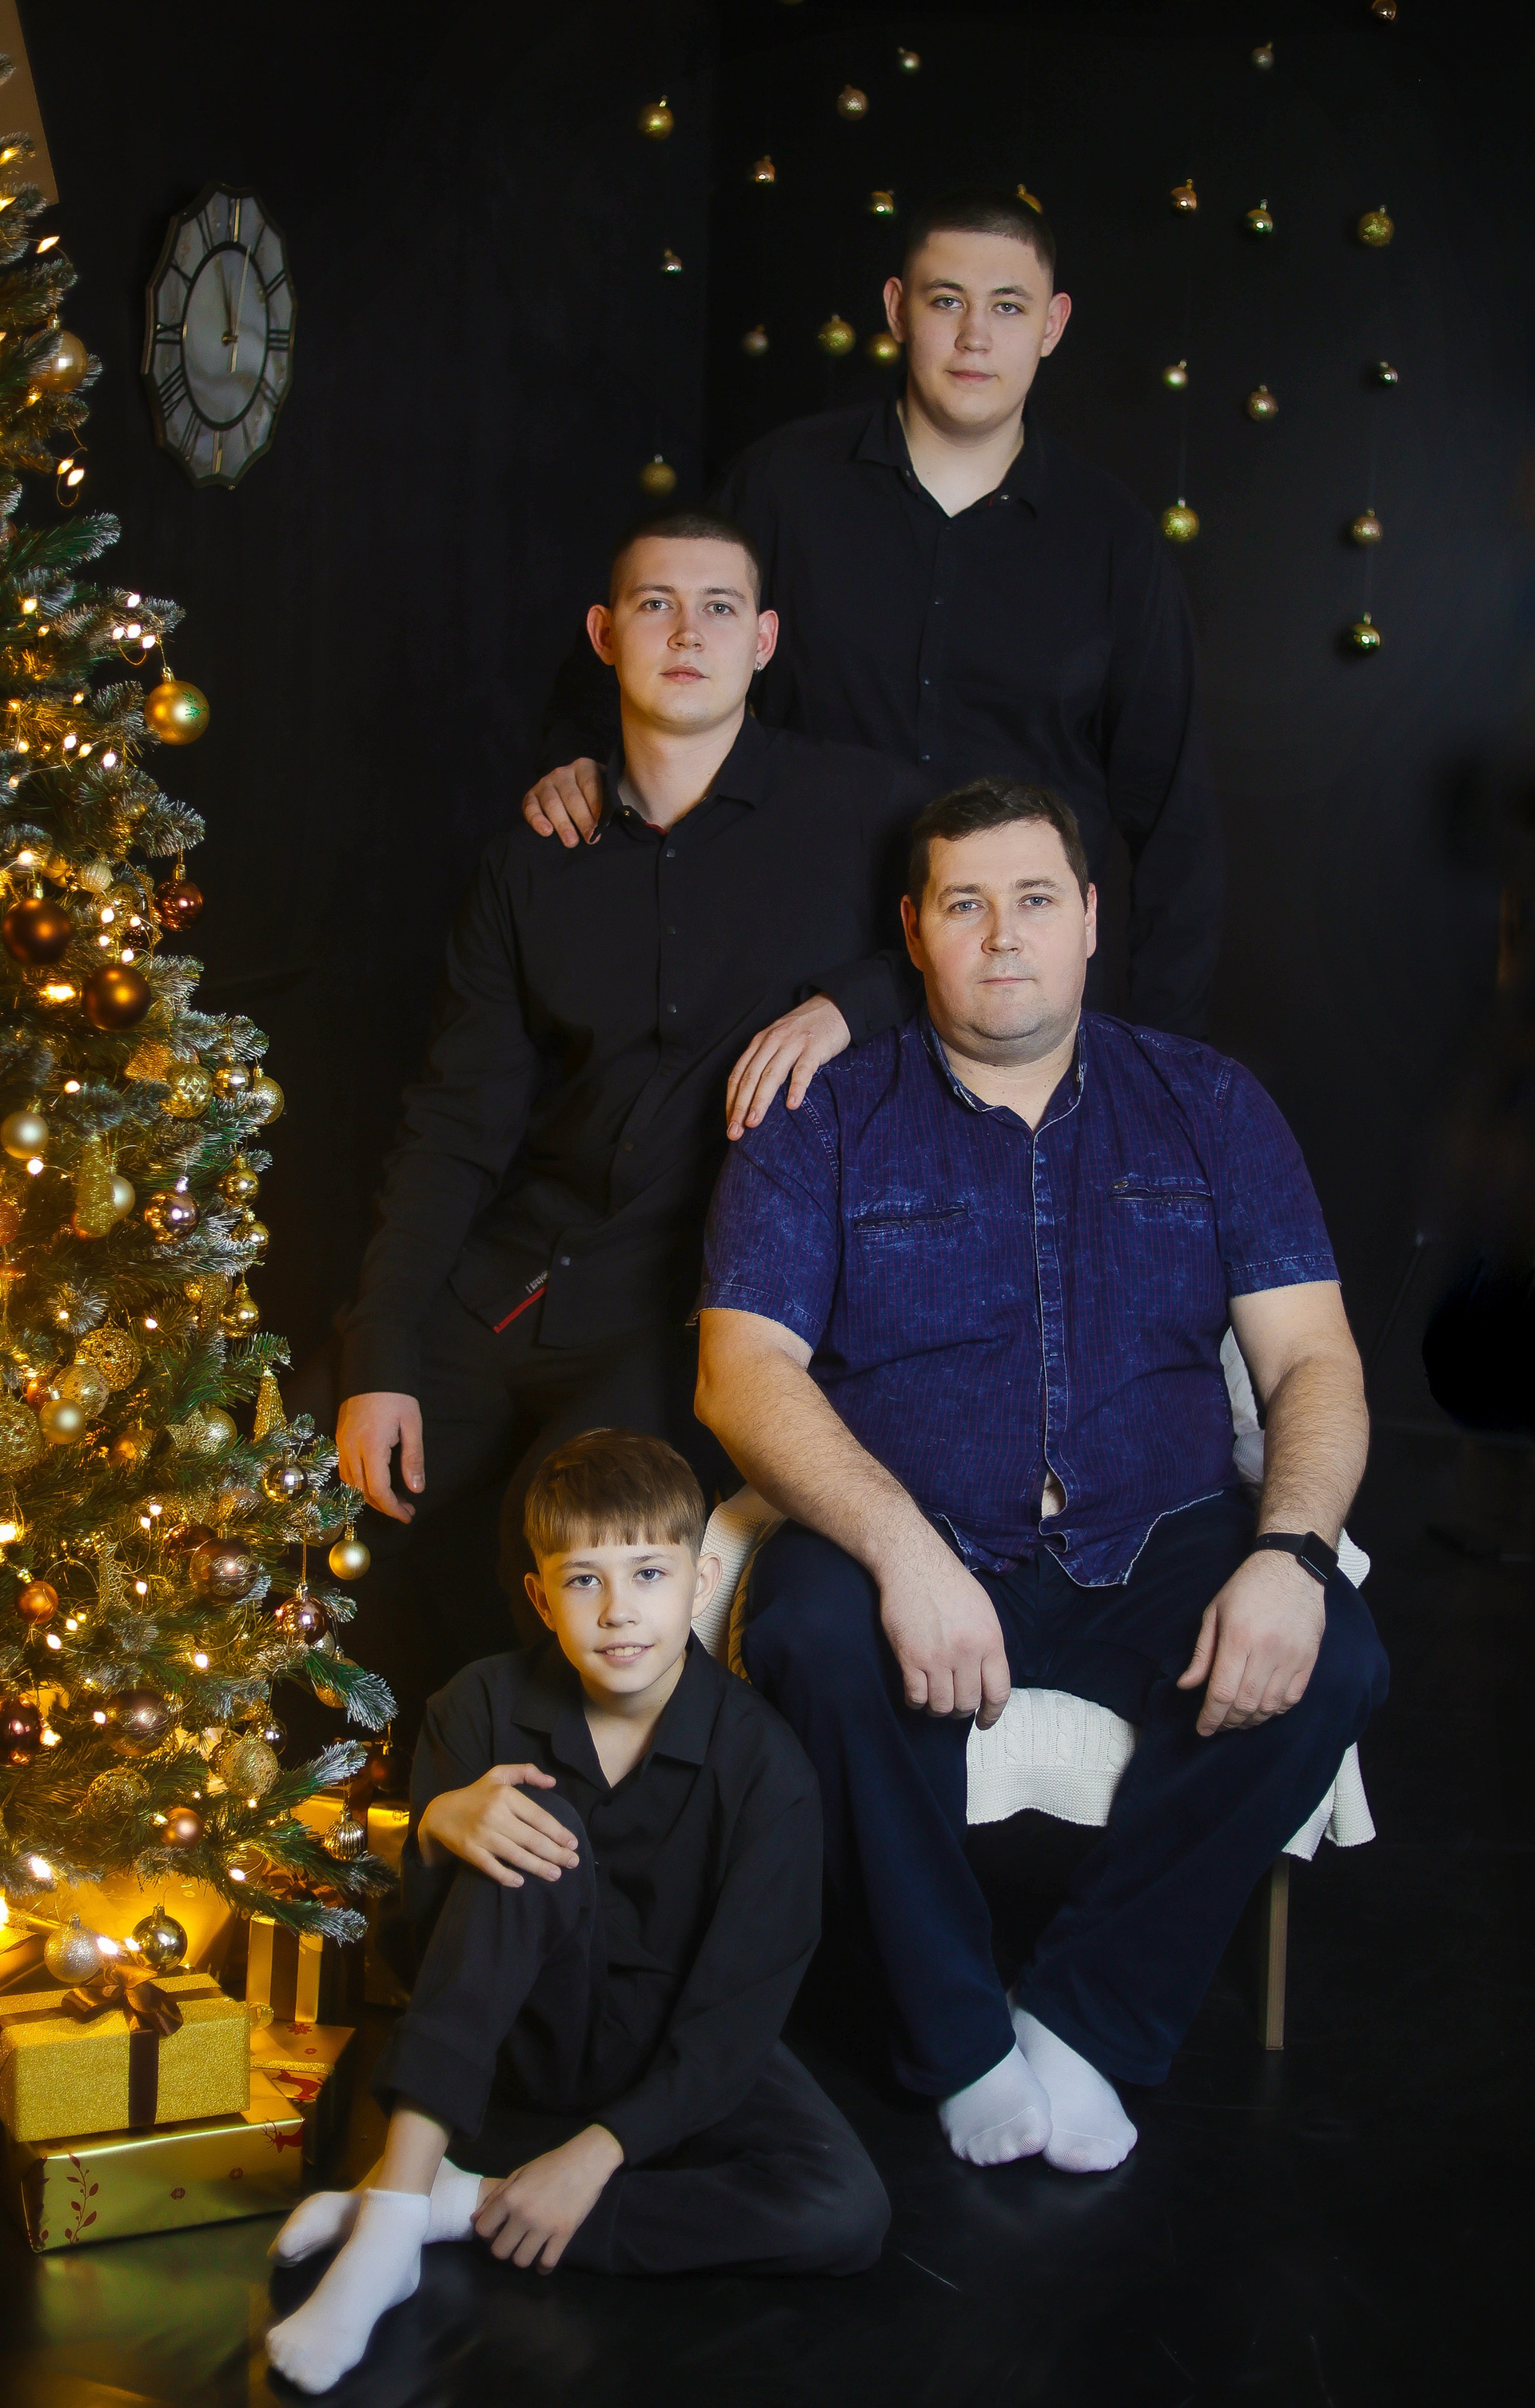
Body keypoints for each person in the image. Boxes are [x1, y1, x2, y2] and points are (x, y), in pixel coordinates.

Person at [693, 779, 1387, 2176]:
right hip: (922, 1527)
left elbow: (1314, 1360)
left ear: (1089, 919)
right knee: (811, 1627)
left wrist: (1291, 1553)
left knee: (1340, 1653)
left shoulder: (1210, 1102)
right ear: (913, 931)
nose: (1002, 934)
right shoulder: (826, 1117)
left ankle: (1083, 2022)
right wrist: (903, 1552)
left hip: (1159, 1528)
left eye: (1033, 899)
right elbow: (740, 1372)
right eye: (965, 903)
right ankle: (958, 2040)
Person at [335, 512, 927, 1710]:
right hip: (522, 1269)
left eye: (720, 608)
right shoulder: (535, 854)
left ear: (764, 640)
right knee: (304, 1494)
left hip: (688, 1306)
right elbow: (454, 1120)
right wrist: (379, 1349)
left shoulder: (864, 809)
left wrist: (851, 1004)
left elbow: (1000, 942)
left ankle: (531, 1814)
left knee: (563, 1542)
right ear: (606, 636)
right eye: (657, 605)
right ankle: (365, 1801)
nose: (688, 633)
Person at [266, 1430, 889, 2394]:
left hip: (676, 2049)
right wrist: (434, 1827)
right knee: (533, 1823)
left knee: (844, 2210)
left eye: (649, 1573)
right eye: (584, 1579)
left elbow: (735, 2018)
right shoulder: (477, 1705)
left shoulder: (768, 1767)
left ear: (700, 1579)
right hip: (519, 2038)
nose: (618, 1610)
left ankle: (452, 2203)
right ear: (540, 1595)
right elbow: (419, 1955)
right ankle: (389, 2221)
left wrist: (599, 2155)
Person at [524, 187, 1222, 1037]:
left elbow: (1177, 827)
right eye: (946, 301)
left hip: (1023, 1006)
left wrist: (1156, 1056)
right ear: (896, 309)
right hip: (796, 982)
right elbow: (648, 625)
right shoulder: (783, 485)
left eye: (1008, 306)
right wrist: (576, 757)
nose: (975, 336)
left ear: (1053, 324)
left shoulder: (1115, 540)